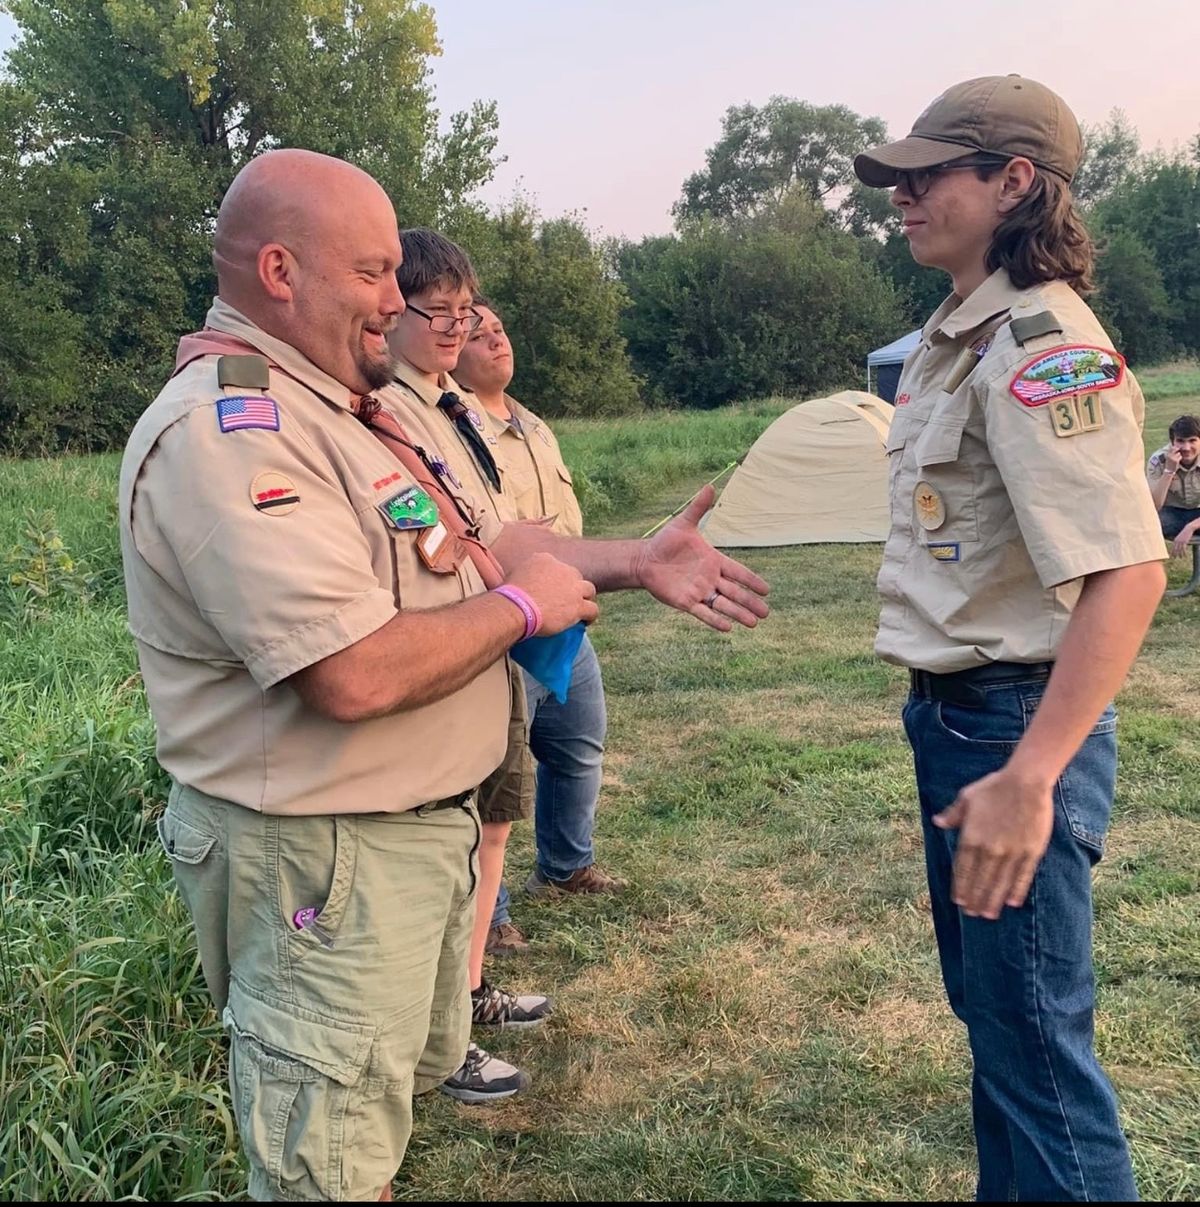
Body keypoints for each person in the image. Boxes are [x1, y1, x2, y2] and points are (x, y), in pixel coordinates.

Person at [119, 148, 768, 1202]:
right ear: (279, 271)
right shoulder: (235, 429)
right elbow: (348, 672)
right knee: (324, 1168)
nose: (396, 302)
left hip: (403, 842)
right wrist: (520, 611)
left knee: (369, 1134)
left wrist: (636, 563)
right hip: (323, 864)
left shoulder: (341, 411)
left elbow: (485, 541)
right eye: (375, 273)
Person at [854, 75, 1165, 1201]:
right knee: (1001, 1033)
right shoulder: (958, 336)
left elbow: (1129, 571)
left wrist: (1032, 776)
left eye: (931, 172)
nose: (905, 194)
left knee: (1038, 1059)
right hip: (964, 722)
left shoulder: (1040, 344)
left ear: (1014, 182)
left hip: (1014, 727)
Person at [453, 296, 618, 929]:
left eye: (499, 328)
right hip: (502, 622)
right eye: (477, 334)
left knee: (578, 748)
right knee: (491, 775)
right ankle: (488, 917)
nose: (496, 341)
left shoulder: (535, 426)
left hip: (567, 620)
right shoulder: (452, 429)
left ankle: (566, 864)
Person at [1146, 415, 1200, 557]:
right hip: (1170, 512)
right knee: (1146, 523)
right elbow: (1154, 506)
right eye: (1180, 441)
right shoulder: (1158, 460)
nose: (1186, 448)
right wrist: (1169, 471)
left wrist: (1192, 526)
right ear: (1172, 442)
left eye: (1192, 441)